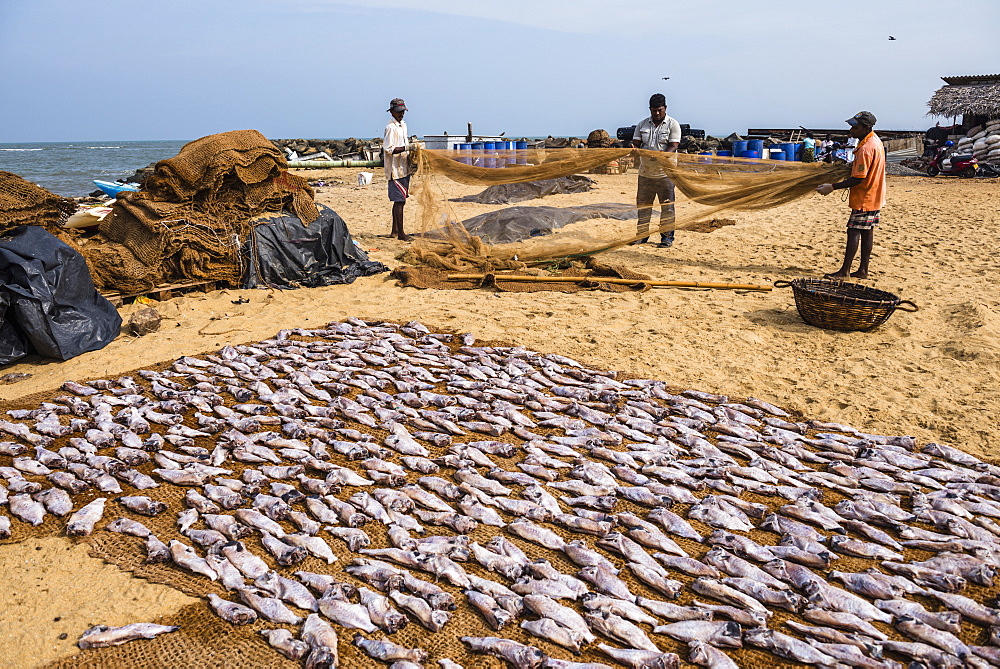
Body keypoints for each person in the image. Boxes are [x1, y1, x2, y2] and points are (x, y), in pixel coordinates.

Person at [816, 111, 885, 279]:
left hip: (865, 197)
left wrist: (832, 186)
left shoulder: (866, 149)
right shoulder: (874, 141)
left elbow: (859, 179)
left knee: (853, 231)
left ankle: (844, 271)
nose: (851, 131)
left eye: (855, 127)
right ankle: (863, 270)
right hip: (875, 195)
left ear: (866, 128)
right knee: (867, 231)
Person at [631, 93, 681, 247]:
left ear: (665, 108)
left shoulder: (673, 124)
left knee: (667, 207)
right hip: (645, 173)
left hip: (665, 174)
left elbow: (673, 146)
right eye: (654, 111)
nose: (657, 113)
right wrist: (634, 149)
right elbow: (635, 143)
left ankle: (666, 238)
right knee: (644, 206)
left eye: (660, 110)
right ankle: (642, 236)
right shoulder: (642, 125)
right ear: (650, 110)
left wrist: (660, 156)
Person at [383, 97, 411, 241]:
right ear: (392, 112)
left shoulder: (403, 125)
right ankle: (401, 234)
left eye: (403, 111)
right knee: (399, 201)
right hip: (395, 170)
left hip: (404, 168)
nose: (401, 114)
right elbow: (389, 149)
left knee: (401, 200)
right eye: (399, 112)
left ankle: (395, 230)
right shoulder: (390, 128)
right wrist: (406, 148)